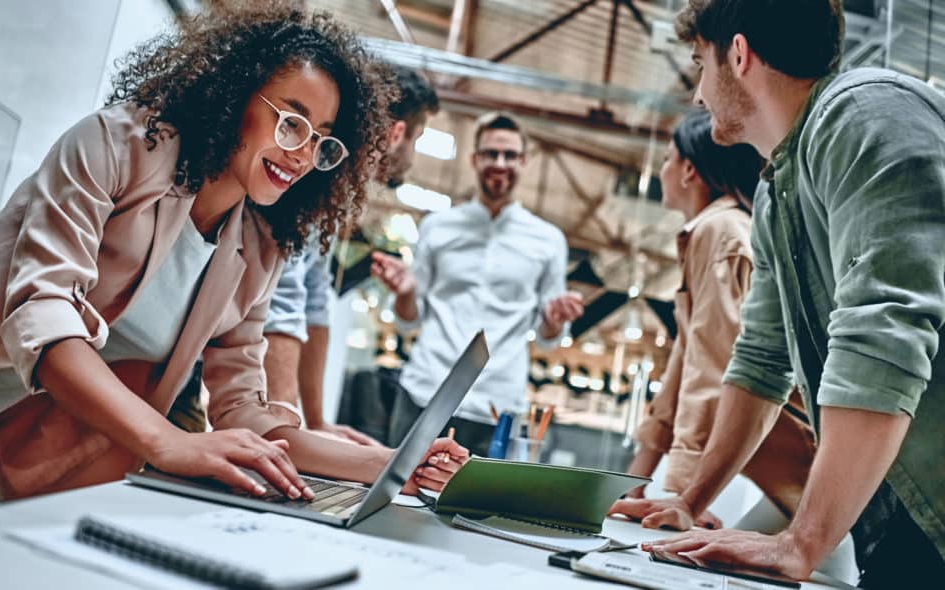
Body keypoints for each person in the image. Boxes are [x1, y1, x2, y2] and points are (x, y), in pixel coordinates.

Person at [0, 2, 465, 520]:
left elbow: (243, 411)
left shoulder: (258, 246)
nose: (302, 154)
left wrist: (392, 465)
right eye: (292, 122)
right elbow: (44, 320)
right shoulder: (114, 146)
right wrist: (171, 442)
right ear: (234, 96)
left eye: (322, 141)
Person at [610, 1, 945, 586]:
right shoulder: (775, 190)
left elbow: (883, 334)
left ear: (737, 55)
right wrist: (691, 498)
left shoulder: (866, 112)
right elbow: (762, 358)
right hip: (900, 510)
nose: (697, 95)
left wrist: (803, 540)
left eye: (699, 66)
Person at [619, 110, 816, 531]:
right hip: (786, 472)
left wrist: (682, 496)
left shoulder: (720, 232)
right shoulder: (711, 232)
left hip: (803, 467)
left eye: (668, 158)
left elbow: (713, 366)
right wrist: (634, 481)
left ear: (690, 169)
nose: (662, 169)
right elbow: (682, 366)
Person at [372, 112, 585, 457]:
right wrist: (406, 293)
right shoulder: (437, 227)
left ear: (524, 162)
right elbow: (409, 318)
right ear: (474, 159)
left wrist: (554, 320)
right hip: (426, 391)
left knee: (478, 508)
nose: (500, 163)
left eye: (510, 155)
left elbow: (548, 339)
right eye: (490, 153)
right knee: (397, 497)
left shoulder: (549, 241)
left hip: (498, 405)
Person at [257, 64, 440, 446]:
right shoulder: (313, 176)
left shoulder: (336, 193)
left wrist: (317, 422)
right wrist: (290, 434)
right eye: (418, 139)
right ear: (397, 133)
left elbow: (314, 300)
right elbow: (285, 301)